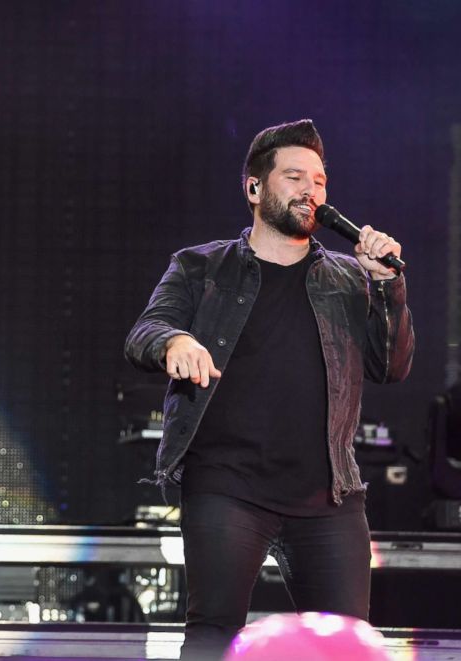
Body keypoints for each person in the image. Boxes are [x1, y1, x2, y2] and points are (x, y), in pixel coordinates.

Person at [124, 119, 414, 660]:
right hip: (228, 487)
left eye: (321, 181)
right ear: (255, 188)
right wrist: (176, 341)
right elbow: (146, 330)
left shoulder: (352, 278)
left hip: (328, 496)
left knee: (345, 644)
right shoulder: (200, 266)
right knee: (213, 632)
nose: (312, 191)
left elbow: (391, 367)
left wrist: (387, 286)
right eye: (295, 177)